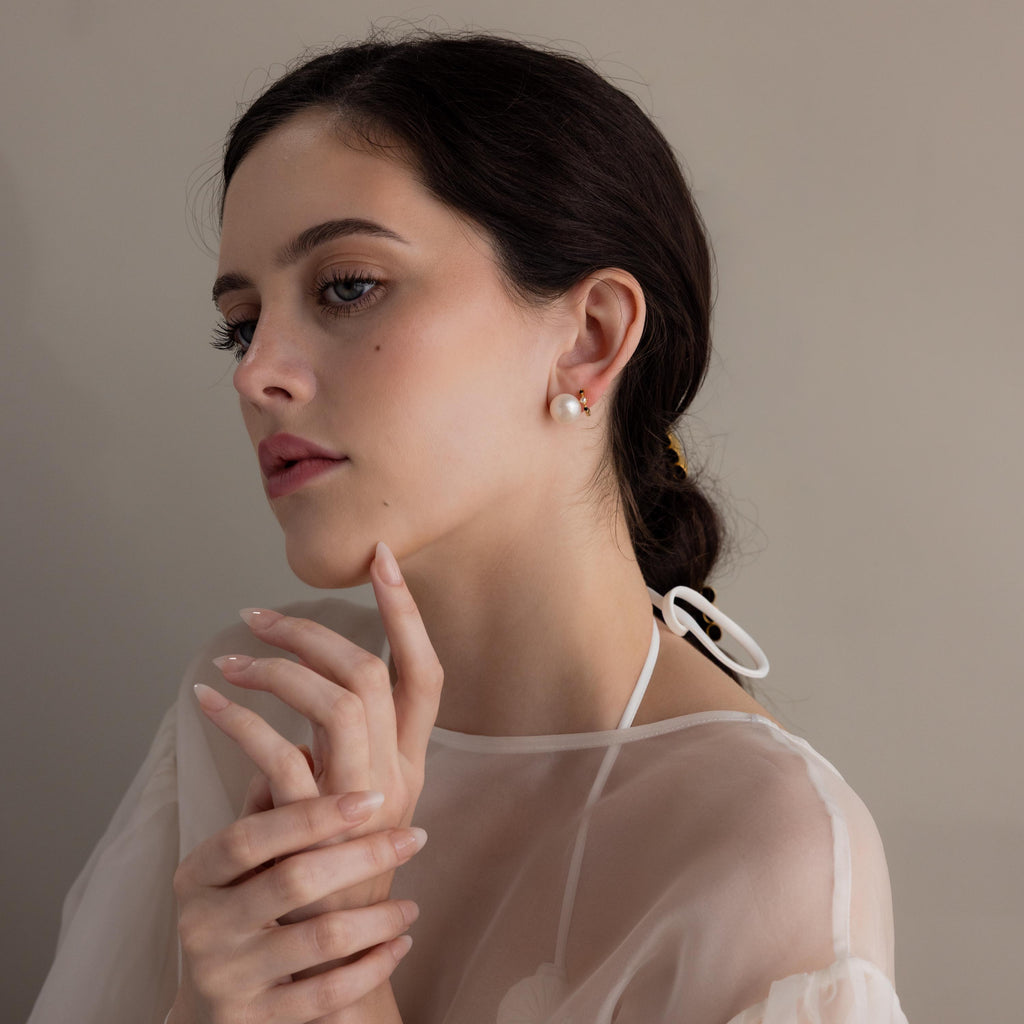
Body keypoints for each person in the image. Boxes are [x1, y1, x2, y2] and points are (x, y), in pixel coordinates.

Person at [28, 31, 908, 1024]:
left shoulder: (766, 849)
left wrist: (340, 1000)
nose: (256, 372)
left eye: (347, 286)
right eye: (243, 322)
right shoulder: (256, 716)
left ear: (589, 337)